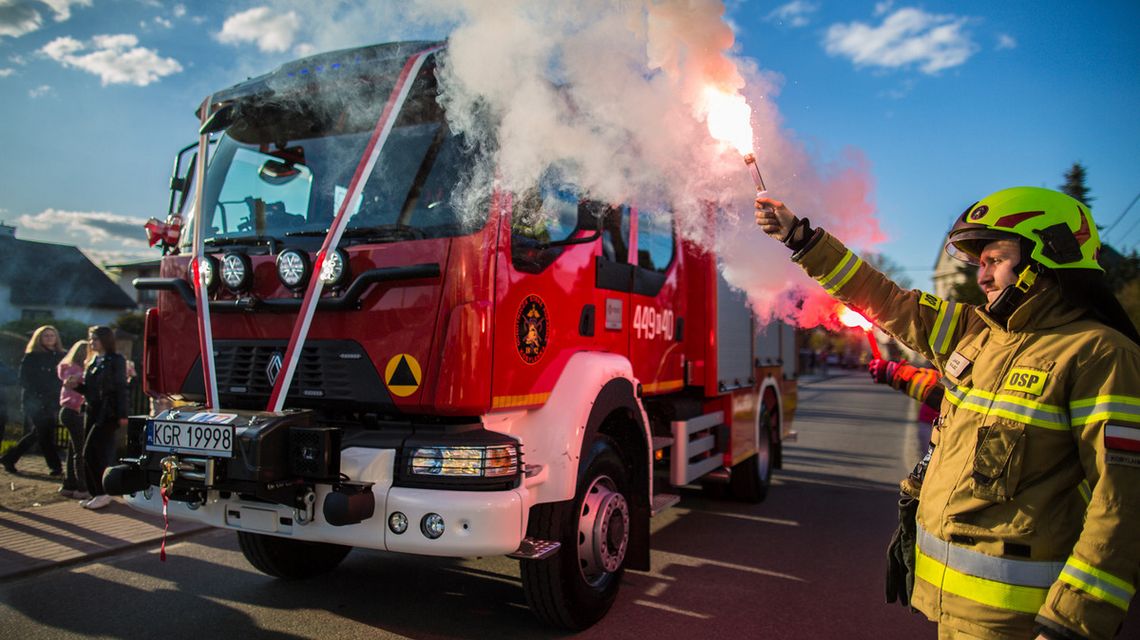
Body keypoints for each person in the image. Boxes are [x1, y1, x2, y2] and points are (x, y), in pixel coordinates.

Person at [756, 186, 1140, 640]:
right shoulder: (975, 331)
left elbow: (1121, 505)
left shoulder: (1100, 354)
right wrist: (802, 239)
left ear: (1048, 255)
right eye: (980, 264)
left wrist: (1071, 624)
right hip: (949, 610)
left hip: (1026, 624)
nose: (983, 277)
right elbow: (888, 300)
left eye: (995, 259)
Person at [69, 326, 129, 510]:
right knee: (90, 454)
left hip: (107, 413)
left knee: (93, 452)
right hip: (93, 411)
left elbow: (120, 388)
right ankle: (96, 493)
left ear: (105, 340)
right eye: (90, 338)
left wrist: (122, 414)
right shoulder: (94, 360)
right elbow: (91, 390)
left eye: (95, 338)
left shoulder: (116, 360)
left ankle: (103, 493)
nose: (91, 342)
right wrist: (76, 386)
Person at [1, 325, 65, 475]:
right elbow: (24, 380)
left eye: (52, 335)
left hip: (52, 401)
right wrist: (39, 393)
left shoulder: (61, 356)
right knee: (43, 433)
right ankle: (55, 466)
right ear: (39, 339)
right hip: (35, 401)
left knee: (40, 433)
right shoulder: (32, 356)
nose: (49, 338)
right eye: (46, 336)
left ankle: (10, 458)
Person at [57, 340, 90, 500]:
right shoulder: (77, 370)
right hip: (74, 411)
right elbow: (75, 390)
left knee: (72, 450)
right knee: (80, 451)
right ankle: (82, 487)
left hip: (67, 411)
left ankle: (69, 484)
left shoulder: (68, 368)